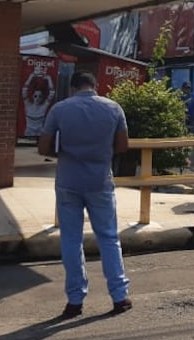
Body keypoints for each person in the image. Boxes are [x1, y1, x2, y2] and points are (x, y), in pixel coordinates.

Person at [37, 71, 132, 319]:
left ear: (73, 87)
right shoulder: (113, 108)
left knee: (71, 240)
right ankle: (119, 296)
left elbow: (43, 147)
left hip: (68, 181)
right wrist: (100, 153)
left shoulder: (60, 109)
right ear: (95, 85)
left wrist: (65, 153)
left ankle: (75, 300)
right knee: (108, 238)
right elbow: (123, 146)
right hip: (100, 181)